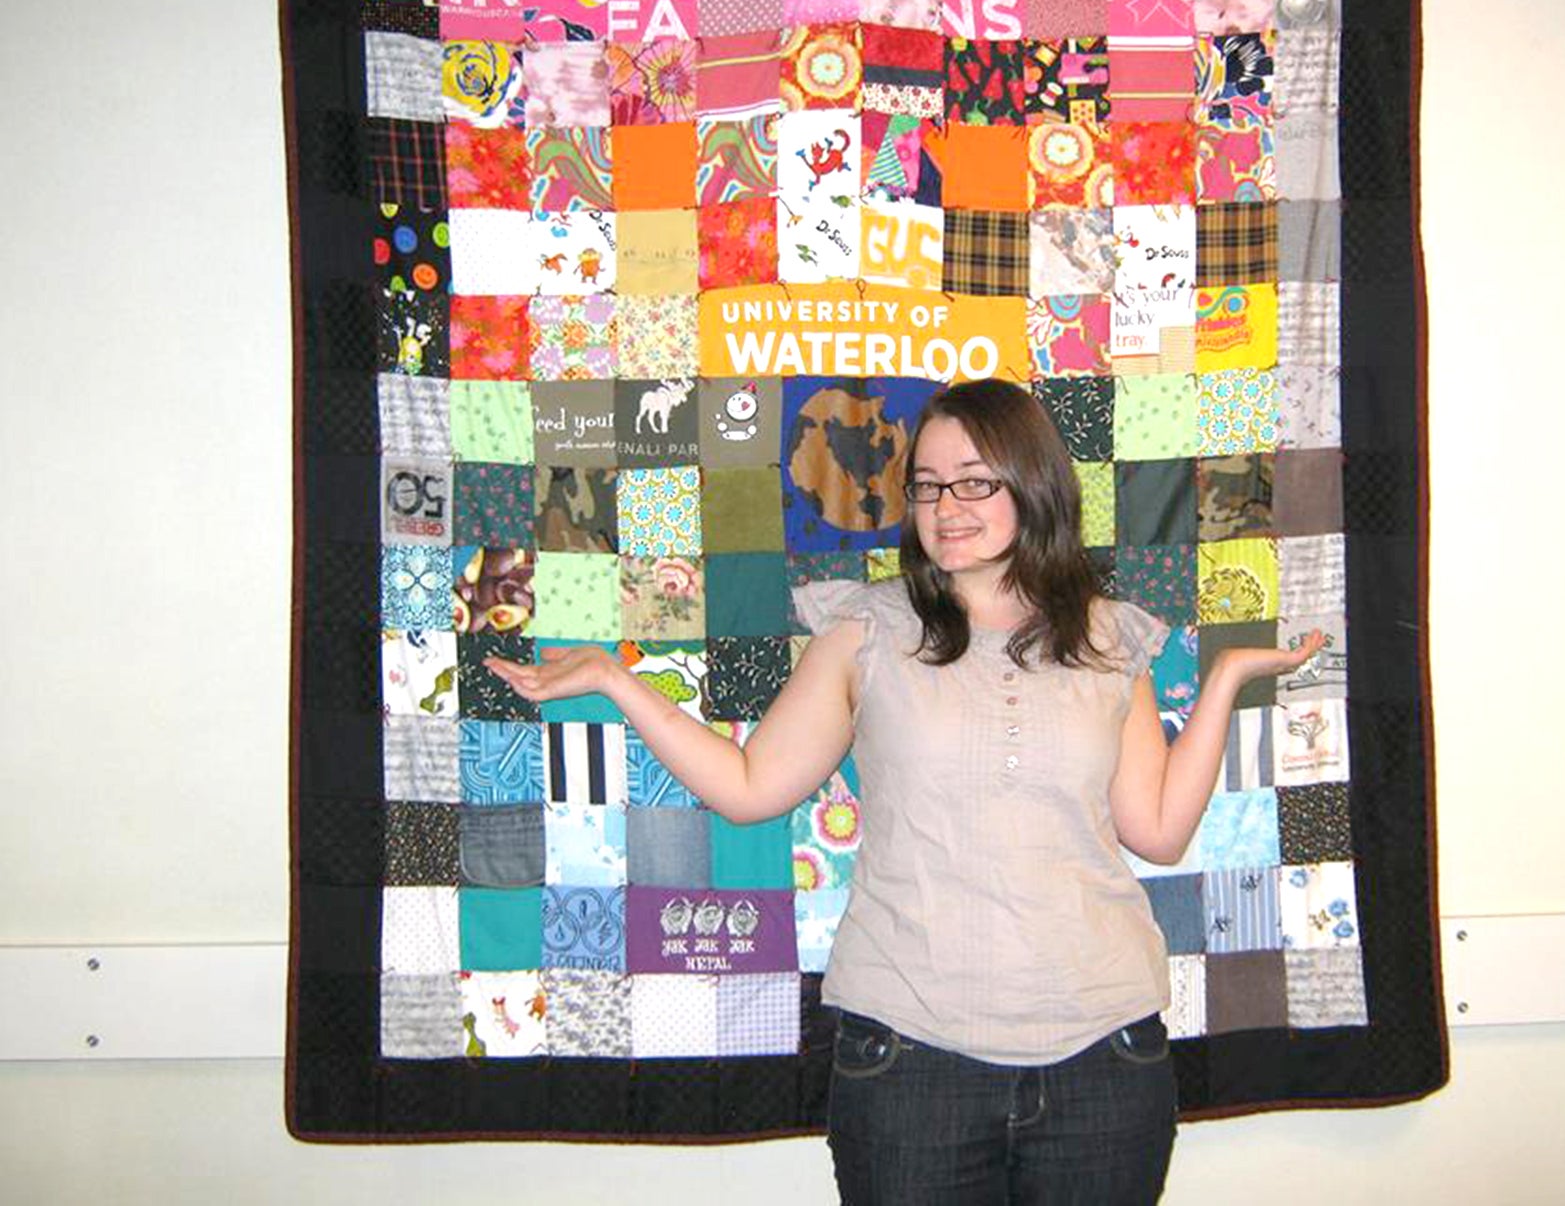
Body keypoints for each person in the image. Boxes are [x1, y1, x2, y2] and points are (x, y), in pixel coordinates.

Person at [487, 378, 1323, 1204]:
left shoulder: (1107, 639)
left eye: (974, 481)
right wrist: (615, 680)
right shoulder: (868, 631)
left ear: (1034, 485)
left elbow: (1161, 831)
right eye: (926, 486)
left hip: (1103, 1063)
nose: (945, 506)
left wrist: (1224, 683)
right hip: (909, 1065)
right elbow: (747, 789)